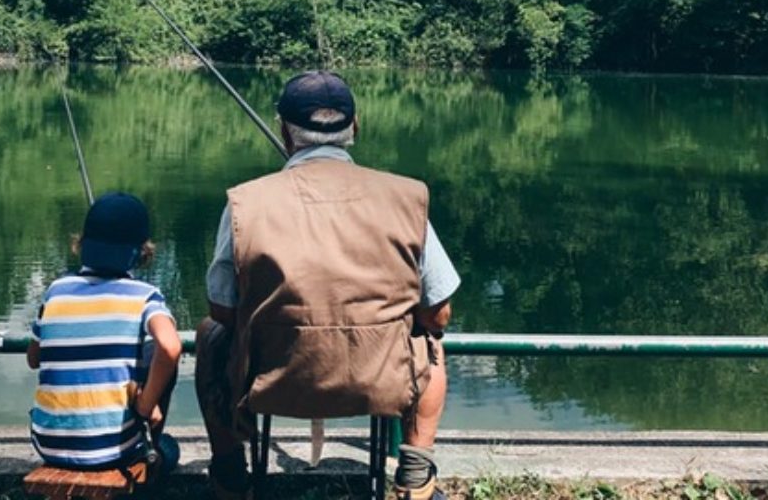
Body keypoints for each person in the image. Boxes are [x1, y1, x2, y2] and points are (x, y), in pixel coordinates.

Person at [196, 71, 461, 500]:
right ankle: (414, 472)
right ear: (355, 126)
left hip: (272, 381)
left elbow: (221, 310)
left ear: (284, 131)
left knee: (210, 336)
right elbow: (439, 313)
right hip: (381, 381)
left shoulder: (246, 202)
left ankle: (229, 471)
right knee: (431, 341)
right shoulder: (406, 197)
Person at [26, 192, 183, 473]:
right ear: (141, 252)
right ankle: (153, 447)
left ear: (82, 243)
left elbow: (33, 359)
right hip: (113, 451)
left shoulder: (55, 291)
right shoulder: (146, 296)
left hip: (47, 444)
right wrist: (146, 406)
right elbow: (170, 347)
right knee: (170, 449)